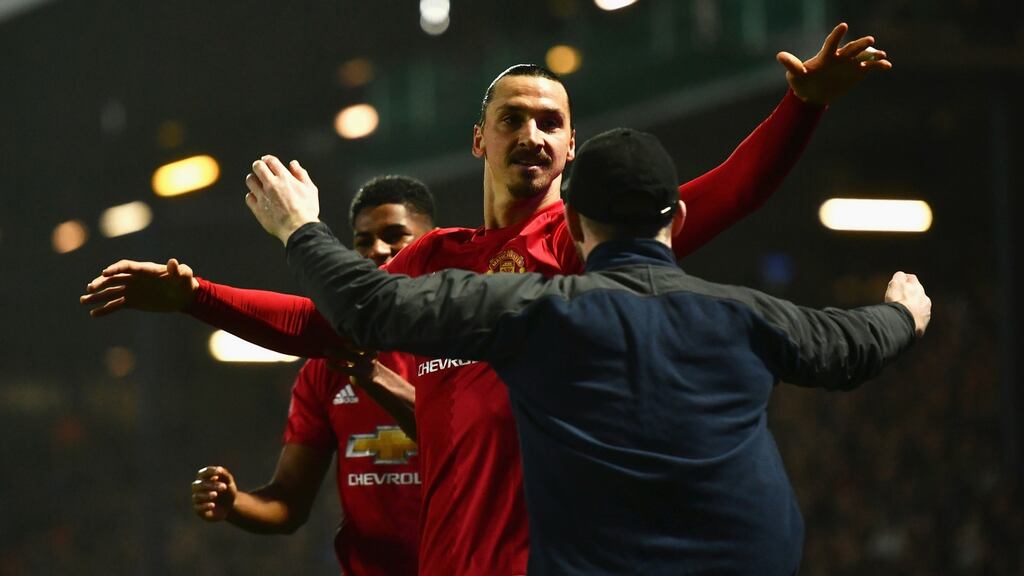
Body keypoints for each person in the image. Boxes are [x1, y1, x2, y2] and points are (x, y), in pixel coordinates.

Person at [81, 24, 892, 575]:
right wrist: (197, 296)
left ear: (572, 149)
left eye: (551, 123)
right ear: (480, 139)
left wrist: (803, 105)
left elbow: (732, 192)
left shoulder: (591, 252)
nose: (533, 136)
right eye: (514, 119)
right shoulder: (435, 264)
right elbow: (323, 325)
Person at [243, 126, 931, 575]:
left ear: (570, 221)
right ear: (678, 217)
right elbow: (855, 346)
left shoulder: (539, 314)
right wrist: (904, 311)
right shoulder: (750, 316)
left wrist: (300, 227)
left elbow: (375, 308)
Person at [191, 176, 436, 576]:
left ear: (432, 242)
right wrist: (233, 503)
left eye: (395, 235)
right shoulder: (326, 368)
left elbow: (453, 438)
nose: (377, 249)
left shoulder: (463, 344)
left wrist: (372, 376)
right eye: (363, 241)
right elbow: (288, 503)